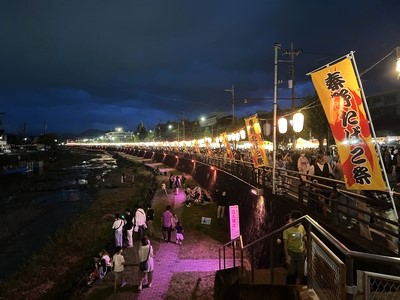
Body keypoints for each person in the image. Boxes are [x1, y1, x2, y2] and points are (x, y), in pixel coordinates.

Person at [283, 211, 306, 285]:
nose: (298, 223)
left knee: (300, 272)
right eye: (296, 220)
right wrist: (287, 256)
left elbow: (303, 238)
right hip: (291, 252)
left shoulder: (302, 227)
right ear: (292, 220)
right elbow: (285, 244)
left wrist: (305, 249)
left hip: (301, 252)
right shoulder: (287, 229)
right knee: (291, 272)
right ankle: (288, 285)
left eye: (299, 220)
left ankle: (297, 286)